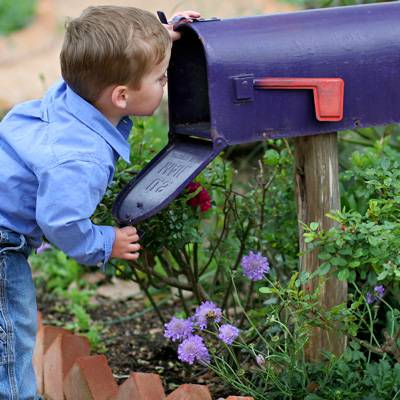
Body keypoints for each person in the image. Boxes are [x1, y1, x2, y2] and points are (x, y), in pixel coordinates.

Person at [0, 5, 200, 398]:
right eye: (160, 77)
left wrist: (160, 35)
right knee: (12, 332)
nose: (166, 82)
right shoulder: (81, 157)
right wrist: (105, 242)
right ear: (122, 95)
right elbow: (61, 221)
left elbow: (107, 59)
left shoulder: (74, 95)